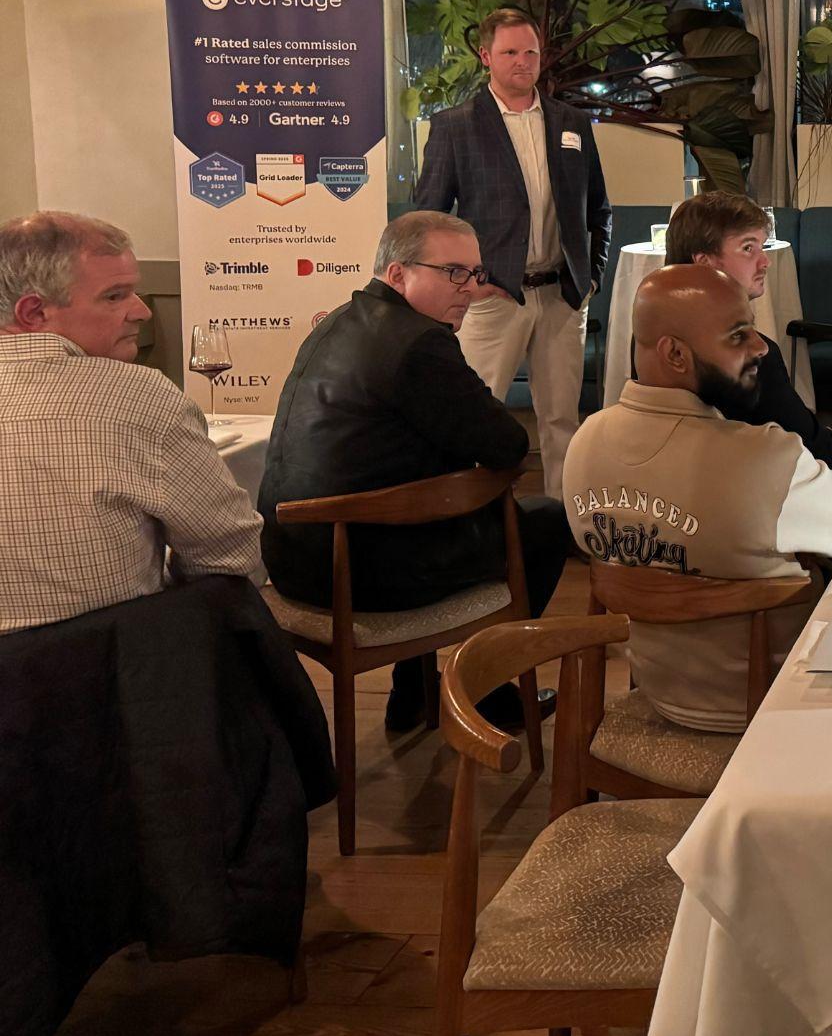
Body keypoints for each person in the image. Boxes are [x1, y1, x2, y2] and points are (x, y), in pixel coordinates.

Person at [258, 210, 571, 730]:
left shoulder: (338, 321)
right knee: (547, 522)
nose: (471, 288)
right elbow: (508, 444)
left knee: (429, 496)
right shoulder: (419, 342)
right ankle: (485, 695)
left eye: (475, 272)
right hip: (356, 572)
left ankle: (415, 694)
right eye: (453, 272)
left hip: (292, 557)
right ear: (398, 273)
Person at [561, 264, 832, 732]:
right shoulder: (765, 460)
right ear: (675, 354)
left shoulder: (583, 445)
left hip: (658, 695)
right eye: (738, 335)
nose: (761, 347)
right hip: (781, 707)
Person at [0, 211, 262, 635]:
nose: (141, 311)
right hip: (111, 665)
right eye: (114, 296)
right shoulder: (141, 397)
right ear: (34, 312)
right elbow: (230, 557)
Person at [417, 6, 611, 499]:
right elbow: (427, 221)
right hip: (491, 298)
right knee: (473, 417)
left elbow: (599, 208)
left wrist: (591, 276)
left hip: (562, 295)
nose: (523, 62)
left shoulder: (571, 122)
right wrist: (465, 284)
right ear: (486, 56)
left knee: (563, 420)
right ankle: (472, 519)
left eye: (531, 52)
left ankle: (564, 521)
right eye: (510, 53)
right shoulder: (455, 126)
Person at [666, 190, 832, 511]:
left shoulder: (656, 342)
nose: (765, 262)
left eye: (762, 247)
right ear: (704, 263)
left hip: (687, 489)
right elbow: (802, 442)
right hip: (765, 495)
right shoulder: (749, 352)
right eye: (748, 248)